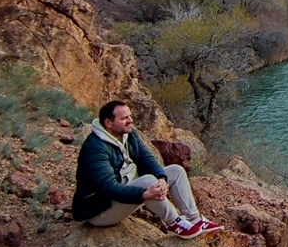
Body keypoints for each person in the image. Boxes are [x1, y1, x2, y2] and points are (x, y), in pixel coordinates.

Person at [71, 100, 223, 238]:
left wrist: (162, 178)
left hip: (130, 191)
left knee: (176, 171)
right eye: (124, 118)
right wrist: (144, 194)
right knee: (149, 181)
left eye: (129, 116)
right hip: (101, 209)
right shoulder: (95, 149)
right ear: (108, 123)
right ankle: (174, 222)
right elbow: (108, 188)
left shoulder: (128, 135)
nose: (130, 121)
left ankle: (194, 219)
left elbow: (147, 159)